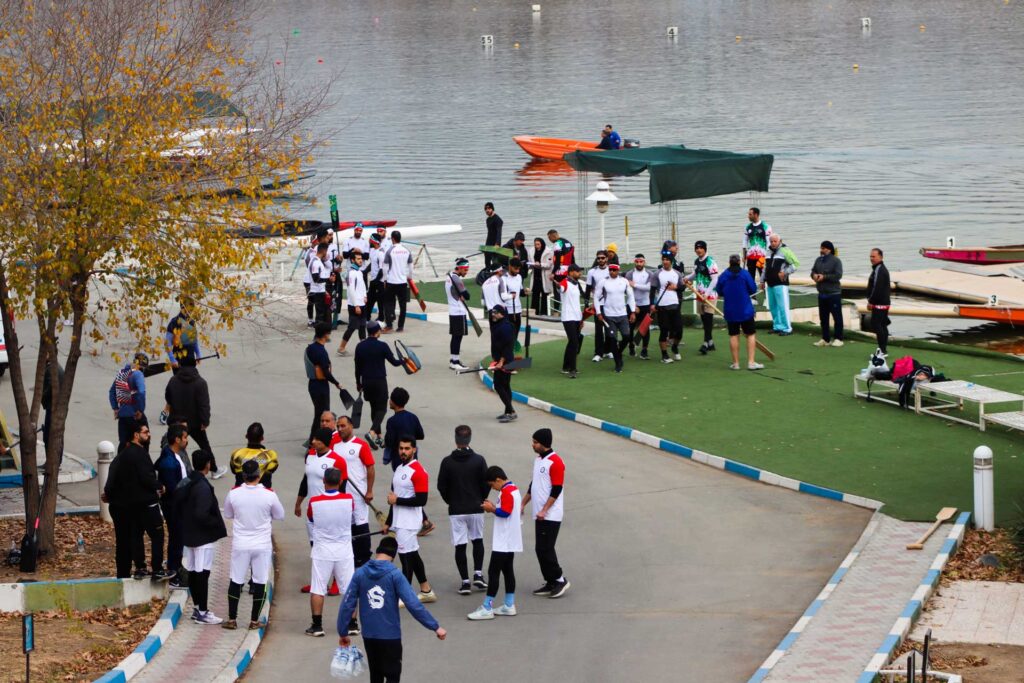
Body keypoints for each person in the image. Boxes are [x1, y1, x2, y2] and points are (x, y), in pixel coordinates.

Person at [337, 536, 447, 683]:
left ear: (377, 552)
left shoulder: (360, 574)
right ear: (393, 556)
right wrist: (435, 626)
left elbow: (347, 604)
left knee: (375, 675)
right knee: (393, 676)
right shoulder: (395, 575)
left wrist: (343, 632)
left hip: (369, 635)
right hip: (390, 635)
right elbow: (413, 604)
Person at [222, 459, 285, 630]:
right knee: (260, 581)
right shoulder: (269, 494)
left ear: (243, 475)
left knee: (236, 580)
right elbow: (280, 515)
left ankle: (232, 619)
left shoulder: (234, 493)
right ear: (259, 475)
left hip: (241, 543)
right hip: (262, 545)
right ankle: (254, 621)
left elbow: (228, 514)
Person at [102, 419, 166, 580]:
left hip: (124, 506)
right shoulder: (140, 454)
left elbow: (111, 482)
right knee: (156, 535)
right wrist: (160, 486)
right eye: (146, 432)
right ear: (136, 435)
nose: (149, 434)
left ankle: (135, 569)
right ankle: (156, 569)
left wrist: (110, 496)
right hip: (143, 505)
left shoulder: (121, 457)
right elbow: (147, 478)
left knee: (131, 539)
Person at [176, 449, 227, 624]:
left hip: (189, 534)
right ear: (207, 464)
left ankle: (197, 608)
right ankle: (203, 612)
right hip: (202, 537)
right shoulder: (203, 486)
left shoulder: (186, 481)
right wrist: (215, 523)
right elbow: (201, 514)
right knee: (202, 573)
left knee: (193, 571)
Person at [436, 425, 489, 595]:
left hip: (457, 509)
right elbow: (486, 483)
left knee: (460, 545)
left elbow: (441, 486)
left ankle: (465, 582)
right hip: (476, 508)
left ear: (455, 439)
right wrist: (480, 499)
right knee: (477, 540)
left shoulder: (447, 462)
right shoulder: (479, 460)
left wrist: (451, 501)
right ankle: (478, 574)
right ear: (469, 439)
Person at [384, 437, 437, 604]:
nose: (403, 451)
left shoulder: (418, 471)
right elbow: (394, 498)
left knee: (405, 557)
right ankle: (426, 590)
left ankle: (404, 595)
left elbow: (422, 500)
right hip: (399, 521)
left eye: (407, 448)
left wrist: (397, 501)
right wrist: (388, 522)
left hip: (409, 523)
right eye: (401, 448)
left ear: (414, 449)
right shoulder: (399, 468)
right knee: (412, 555)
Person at [466, 466, 523, 621]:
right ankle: (509, 604)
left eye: (492, 485)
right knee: (508, 571)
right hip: (510, 539)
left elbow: (505, 512)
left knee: (493, 573)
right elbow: (508, 509)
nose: (492, 488)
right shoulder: (513, 489)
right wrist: (494, 507)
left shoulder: (506, 492)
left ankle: (487, 607)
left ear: (498, 480)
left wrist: (491, 509)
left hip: (503, 541)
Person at [305, 467, 356, 637]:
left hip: (322, 551)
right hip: (344, 550)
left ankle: (317, 626)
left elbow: (311, 518)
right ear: (340, 482)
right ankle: (352, 625)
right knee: (349, 589)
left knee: (318, 588)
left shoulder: (314, 502)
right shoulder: (349, 499)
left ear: (323, 481)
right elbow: (352, 518)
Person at [521, 428, 569, 599]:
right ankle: (550, 581)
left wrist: (545, 510)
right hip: (540, 514)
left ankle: (560, 580)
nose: (532, 445)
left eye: (535, 442)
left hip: (550, 515)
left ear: (544, 443)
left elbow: (557, 489)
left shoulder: (555, 462)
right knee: (540, 549)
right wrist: (523, 503)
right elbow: (533, 485)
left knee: (546, 548)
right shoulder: (539, 460)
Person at [165, 363, 226, 478]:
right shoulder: (200, 383)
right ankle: (213, 469)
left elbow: (168, 397)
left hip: (177, 420)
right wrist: (205, 421)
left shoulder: (173, 380)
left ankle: (173, 470)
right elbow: (204, 405)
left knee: (173, 445)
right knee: (204, 445)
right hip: (195, 422)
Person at [333, 415, 376, 569]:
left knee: (361, 526)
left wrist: (369, 491)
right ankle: (350, 558)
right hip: (342, 495)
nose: (340, 429)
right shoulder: (335, 446)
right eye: (338, 426)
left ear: (351, 426)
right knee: (347, 527)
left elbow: (370, 467)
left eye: (343, 426)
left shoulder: (360, 445)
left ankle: (364, 558)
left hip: (358, 494)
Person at [354, 321, 405, 448]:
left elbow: (357, 368)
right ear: (377, 332)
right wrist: (403, 361)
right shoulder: (382, 346)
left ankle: (379, 437)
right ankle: (371, 433)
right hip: (379, 381)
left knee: (374, 408)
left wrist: (358, 383)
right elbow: (394, 362)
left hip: (366, 381)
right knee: (382, 409)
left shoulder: (360, 346)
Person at [155, 424, 190, 586]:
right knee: (176, 538)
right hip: (174, 507)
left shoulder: (175, 456)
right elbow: (173, 489)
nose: (186, 440)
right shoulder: (169, 462)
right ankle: (173, 571)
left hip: (178, 505)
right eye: (184, 437)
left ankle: (176, 567)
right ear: (177, 439)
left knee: (178, 538)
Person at [715, 254, 763, 371]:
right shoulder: (745, 274)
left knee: (733, 335)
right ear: (740, 261)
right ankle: (751, 362)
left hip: (730, 310)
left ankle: (736, 363)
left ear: (729, 262)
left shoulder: (724, 275)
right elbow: (753, 289)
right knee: (750, 334)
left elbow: (719, 291)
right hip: (745, 309)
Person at [305, 323, 344, 443]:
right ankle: (314, 441)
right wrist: (336, 383)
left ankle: (315, 440)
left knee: (319, 414)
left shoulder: (310, 348)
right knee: (322, 416)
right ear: (325, 335)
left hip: (312, 384)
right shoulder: (321, 352)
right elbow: (325, 372)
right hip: (320, 385)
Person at [595, 263, 635, 373]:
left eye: (614, 270)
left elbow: (631, 296)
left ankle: (618, 352)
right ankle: (618, 363)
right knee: (612, 339)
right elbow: (596, 297)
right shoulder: (603, 282)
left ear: (618, 271)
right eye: (610, 270)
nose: (612, 272)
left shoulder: (624, 281)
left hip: (622, 314)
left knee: (626, 336)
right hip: (609, 315)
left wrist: (632, 311)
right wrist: (598, 313)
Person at [683, 241, 720, 355]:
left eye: (700, 248)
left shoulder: (710, 262)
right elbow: (695, 274)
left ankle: (705, 344)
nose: (698, 250)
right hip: (699, 294)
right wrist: (686, 278)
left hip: (709, 295)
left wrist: (707, 293)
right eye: (696, 248)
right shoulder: (696, 261)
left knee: (708, 319)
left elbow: (715, 279)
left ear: (705, 249)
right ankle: (711, 342)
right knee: (704, 320)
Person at [109, 352, 148, 452]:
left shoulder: (123, 373)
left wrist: (115, 408)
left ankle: (121, 461)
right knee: (143, 441)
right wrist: (140, 410)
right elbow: (141, 392)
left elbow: (112, 391)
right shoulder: (138, 374)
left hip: (123, 416)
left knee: (124, 443)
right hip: (134, 415)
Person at [761, 234, 800, 336]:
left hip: (781, 283)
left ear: (780, 241)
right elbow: (765, 267)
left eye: (775, 241)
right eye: (771, 241)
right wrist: (762, 280)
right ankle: (777, 326)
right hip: (770, 283)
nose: (773, 243)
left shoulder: (785, 251)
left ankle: (787, 328)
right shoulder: (768, 252)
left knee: (783, 306)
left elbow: (796, 264)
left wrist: (785, 272)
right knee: (773, 306)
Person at [811, 240, 845, 347]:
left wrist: (824, 277)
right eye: (821, 248)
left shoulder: (836, 261)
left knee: (837, 317)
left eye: (823, 248)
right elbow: (813, 271)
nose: (821, 250)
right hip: (822, 294)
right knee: (823, 318)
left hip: (833, 294)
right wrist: (814, 276)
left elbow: (838, 275)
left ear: (829, 249)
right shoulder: (818, 260)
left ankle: (838, 338)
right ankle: (825, 339)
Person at [383, 387, 425, 473]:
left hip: (398, 458)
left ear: (393, 402)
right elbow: (421, 435)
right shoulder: (413, 417)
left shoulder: (392, 421)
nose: (389, 401)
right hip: (412, 457)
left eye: (390, 399)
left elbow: (389, 441)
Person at [489, 305, 517, 423]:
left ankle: (511, 411)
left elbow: (508, 346)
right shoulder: (498, 324)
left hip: (505, 361)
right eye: (492, 312)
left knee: (499, 385)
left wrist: (501, 362)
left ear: (501, 313)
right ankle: (508, 412)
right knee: (505, 386)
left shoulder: (506, 327)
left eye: (495, 313)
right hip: (501, 360)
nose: (493, 315)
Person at [229, 422, 279, 489]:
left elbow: (234, 471)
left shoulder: (236, 454)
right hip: (263, 492)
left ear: (246, 436)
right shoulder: (270, 455)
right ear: (262, 438)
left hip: (240, 491)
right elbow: (271, 470)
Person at [382, 231, 413, 333]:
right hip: (402, 282)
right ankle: (400, 327)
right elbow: (411, 266)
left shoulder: (390, 251)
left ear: (392, 239)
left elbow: (385, 267)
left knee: (388, 304)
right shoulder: (406, 251)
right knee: (403, 305)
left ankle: (389, 325)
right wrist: (409, 277)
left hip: (391, 281)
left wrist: (385, 279)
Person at [624, 254, 655, 359]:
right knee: (630, 328)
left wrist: (635, 285)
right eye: (637, 261)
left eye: (641, 261)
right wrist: (634, 306)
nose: (639, 264)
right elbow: (628, 290)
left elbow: (649, 288)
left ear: (644, 262)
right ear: (634, 262)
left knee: (645, 328)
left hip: (645, 304)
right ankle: (631, 346)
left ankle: (644, 350)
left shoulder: (649, 273)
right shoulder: (629, 273)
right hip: (633, 305)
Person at [337, 252, 368, 355]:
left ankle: (364, 348)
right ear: (352, 260)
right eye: (358, 259)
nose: (360, 260)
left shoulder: (359, 272)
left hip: (362, 303)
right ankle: (341, 348)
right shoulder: (351, 273)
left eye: (361, 258)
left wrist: (365, 296)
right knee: (352, 327)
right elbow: (351, 290)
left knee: (363, 326)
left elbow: (362, 286)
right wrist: (356, 305)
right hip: (354, 305)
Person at [655, 252, 683, 363]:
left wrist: (677, 287)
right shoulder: (657, 273)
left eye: (667, 259)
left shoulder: (677, 273)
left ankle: (674, 347)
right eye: (663, 259)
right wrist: (652, 304)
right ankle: (664, 355)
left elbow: (682, 287)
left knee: (679, 331)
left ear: (671, 261)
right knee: (664, 330)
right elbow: (652, 289)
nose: (665, 261)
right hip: (662, 306)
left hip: (675, 305)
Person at [557, 264, 584, 379]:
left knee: (573, 342)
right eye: (578, 271)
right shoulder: (565, 282)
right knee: (574, 342)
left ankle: (565, 366)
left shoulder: (576, 284)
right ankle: (572, 369)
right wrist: (557, 285)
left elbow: (577, 303)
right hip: (568, 317)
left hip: (577, 317)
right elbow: (561, 288)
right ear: (571, 272)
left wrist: (581, 319)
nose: (580, 273)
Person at [445, 258, 472, 371]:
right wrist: (463, 295)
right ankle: (454, 362)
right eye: (465, 270)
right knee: (457, 337)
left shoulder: (449, 276)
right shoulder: (456, 279)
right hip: (458, 311)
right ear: (460, 268)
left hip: (453, 311)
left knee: (455, 337)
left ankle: (454, 359)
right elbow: (467, 296)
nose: (466, 272)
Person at [586, 250, 611, 362]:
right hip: (597, 304)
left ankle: (608, 350)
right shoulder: (592, 272)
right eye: (598, 258)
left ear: (607, 259)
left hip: (610, 304)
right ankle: (598, 353)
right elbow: (588, 289)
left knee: (609, 328)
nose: (600, 260)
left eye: (602, 258)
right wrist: (587, 304)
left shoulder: (611, 270)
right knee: (599, 329)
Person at [867, 248, 891, 354]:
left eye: (874, 256)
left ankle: (882, 350)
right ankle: (883, 349)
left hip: (879, 303)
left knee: (877, 325)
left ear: (880, 257)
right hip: (884, 302)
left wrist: (871, 301)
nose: (871, 258)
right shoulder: (878, 269)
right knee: (882, 324)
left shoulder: (879, 270)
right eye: (870, 256)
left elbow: (876, 288)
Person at [165, 300, 201, 371]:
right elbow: (167, 343)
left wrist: (198, 354)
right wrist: (172, 359)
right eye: (189, 308)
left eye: (192, 308)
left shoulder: (192, 322)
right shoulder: (174, 322)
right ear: (182, 307)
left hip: (191, 358)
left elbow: (194, 340)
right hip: (178, 359)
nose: (191, 311)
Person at [308, 241, 335, 325]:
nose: (327, 254)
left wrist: (325, 290)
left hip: (319, 291)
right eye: (326, 251)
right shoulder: (316, 262)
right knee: (320, 315)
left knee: (321, 313)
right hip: (317, 292)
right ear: (324, 251)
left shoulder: (315, 260)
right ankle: (318, 331)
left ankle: (321, 329)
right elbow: (316, 279)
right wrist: (329, 279)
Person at [742, 207, 773, 279]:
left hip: (762, 257)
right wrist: (744, 256)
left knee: (763, 277)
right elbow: (745, 241)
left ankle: (764, 286)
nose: (748, 216)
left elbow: (769, 242)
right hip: (750, 256)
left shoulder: (766, 226)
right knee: (750, 277)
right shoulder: (748, 227)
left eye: (750, 214)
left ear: (756, 215)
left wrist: (767, 257)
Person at [529, 237, 553, 316]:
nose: (537, 246)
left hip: (544, 276)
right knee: (535, 294)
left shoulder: (548, 251)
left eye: (538, 244)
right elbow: (530, 261)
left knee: (544, 294)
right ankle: (534, 312)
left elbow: (549, 265)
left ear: (542, 244)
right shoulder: (531, 251)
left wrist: (540, 264)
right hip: (535, 275)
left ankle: (544, 313)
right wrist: (531, 265)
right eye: (535, 244)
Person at [502, 258, 524, 342]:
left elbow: (521, 291)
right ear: (510, 266)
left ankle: (513, 349)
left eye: (519, 269)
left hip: (517, 310)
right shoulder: (504, 278)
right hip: (507, 310)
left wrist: (525, 292)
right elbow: (502, 295)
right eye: (515, 269)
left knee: (515, 334)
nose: (517, 271)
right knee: (507, 335)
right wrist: (511, 296)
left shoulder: (519, 277)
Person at [366, 235, 386, 325]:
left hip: (379, 281)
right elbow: (372, 263)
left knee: (380, 301)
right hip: (373, 280)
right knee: (370, 300)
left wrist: (377, 281)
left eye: (370, 240)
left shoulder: (381, 253)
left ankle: (381, 319)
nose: (369, 242)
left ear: (374, 241)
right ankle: (367, 318)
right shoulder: (372, 250)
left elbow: (382, 269)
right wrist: (365, 271)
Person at [483, 202, 503, 270]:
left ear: (492, 209)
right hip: (488, 244)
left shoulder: (498, 219)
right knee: (487, 262)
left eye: (489, 208)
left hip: (495, 244)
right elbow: (489, 233)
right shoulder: (488, 220)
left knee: (496, 263)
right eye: (486, 209)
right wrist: (485, 246)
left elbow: (499, 232)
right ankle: (488, 272)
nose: (487, 210)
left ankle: (497, 273)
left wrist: (497, 244)